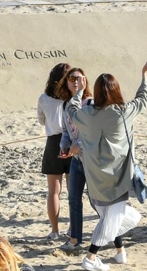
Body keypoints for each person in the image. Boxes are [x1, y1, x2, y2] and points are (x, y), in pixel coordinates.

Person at [66, 60, 147, 270]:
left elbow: (72, 109)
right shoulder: (123, 111)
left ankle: (120, 252)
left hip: (94, 175)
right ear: (116, 90)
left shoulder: (86, 115)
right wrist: (144, 76)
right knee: (117, 217)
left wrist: (80, 91)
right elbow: (143, 98)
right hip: (117, 176)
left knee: (108, 216)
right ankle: (91, 258)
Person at [58, 67, 92, 253]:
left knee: (97, 202)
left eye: (79, 78)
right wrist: (64, 146)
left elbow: (91, 131)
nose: (75, 81)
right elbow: (66, 130)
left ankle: (113, 236)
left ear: (85, 80)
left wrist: (78, 143)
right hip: (76, 160)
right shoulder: (65, 105)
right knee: (73, 199)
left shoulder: (90, 103)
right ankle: (75, 239)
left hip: (92, 159)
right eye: (71, 78)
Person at [37, 63, 71, 241]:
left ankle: (55, 231)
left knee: (53, 192)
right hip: (73, 142)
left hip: (53, 143)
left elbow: (41, 121)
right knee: (74, 191)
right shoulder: (74, 97)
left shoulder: (44, 98)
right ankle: (73, 228)